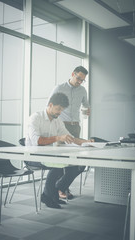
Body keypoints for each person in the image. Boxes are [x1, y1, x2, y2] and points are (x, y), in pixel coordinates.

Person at [26, 92, 94, 209]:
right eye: (58, 109)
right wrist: (58, 138)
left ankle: (55, 190)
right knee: (58, 165)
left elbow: (70, 137)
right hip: (33, 156)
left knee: (76, 166)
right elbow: (37, 141)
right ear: (50, 105)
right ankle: (48, 196)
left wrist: (86, 142)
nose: (59, 112)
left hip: (49, 155)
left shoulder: (57, 121)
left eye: (61, 110)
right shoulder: (36, 117)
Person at [49, 66, 90, 199]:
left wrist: (86, 112)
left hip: (75, 126)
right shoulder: (59, 88)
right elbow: (49, 105)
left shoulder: (83, 90)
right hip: (61, 126)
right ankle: (60, 190)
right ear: (72, 74)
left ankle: (61, 186)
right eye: (78, 78)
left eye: (82, 80)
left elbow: (85, 107)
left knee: (74, 161)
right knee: (61, 159)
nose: (79, 82)